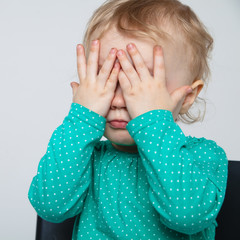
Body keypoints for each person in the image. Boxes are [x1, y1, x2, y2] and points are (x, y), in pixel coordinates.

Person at [28, 0, 228, 239]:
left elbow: (186, 216)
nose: (119, 100)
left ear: (187, 97)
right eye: (107, 78)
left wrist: (153, 121)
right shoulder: (85, 158)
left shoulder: (204, 156)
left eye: (143, 84)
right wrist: (82, 118)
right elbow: (51, 207)